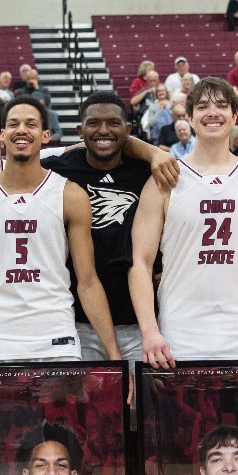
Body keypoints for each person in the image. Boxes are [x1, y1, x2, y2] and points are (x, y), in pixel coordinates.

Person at [0, 97, 119, 393]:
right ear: (2, 135)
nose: (21, 130)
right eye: (13, 124)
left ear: (45, 136)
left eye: (31, 124)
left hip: (57, 339)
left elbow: (87, 282)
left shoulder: (70, 195)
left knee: (60, 438)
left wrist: (113, 352)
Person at [128, 75, 238, 370]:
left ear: (235, 116)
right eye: (203, 106)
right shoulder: (164, 181)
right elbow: (140, 263)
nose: (213, 113)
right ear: (190, 116)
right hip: (180, 332)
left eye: (222, 106)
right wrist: (150, 332)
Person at [43, 91, 163, 361]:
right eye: (93, 123)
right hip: (79, 322)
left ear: (128, 130)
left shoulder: (147, 171)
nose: (103, 130)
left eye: (113, 123)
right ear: (80, 130)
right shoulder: (56, 171)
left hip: (139, 322)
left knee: (139, 402)